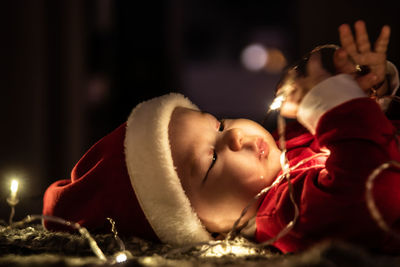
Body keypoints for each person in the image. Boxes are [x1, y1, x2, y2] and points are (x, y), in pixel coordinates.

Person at [42, 20, 400, 253]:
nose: (235, 138)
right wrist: (338, 108)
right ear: (204, 227)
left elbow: (368, 137)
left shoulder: (287, 144)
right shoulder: (286, 216)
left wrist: (367, 90)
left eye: (219, 125)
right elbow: (374, 188)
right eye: (211, 160)